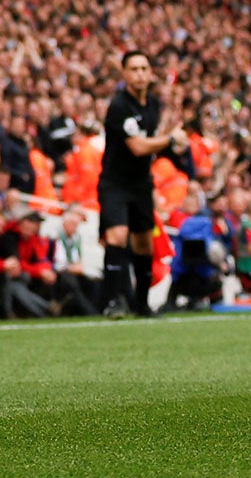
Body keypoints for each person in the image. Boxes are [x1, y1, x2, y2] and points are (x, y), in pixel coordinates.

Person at [99, 51, 175, 318]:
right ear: (125, 74)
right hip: (115, 182)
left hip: (141, 183)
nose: (140, 73)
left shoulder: (152, 104)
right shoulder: (120, 105)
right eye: (134, 69)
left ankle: (141, 305)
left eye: (144, 68)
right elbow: (139, 146)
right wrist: (170, 139)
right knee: (117, 236)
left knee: (145, 244)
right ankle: (112, 302)